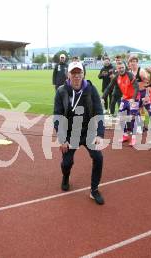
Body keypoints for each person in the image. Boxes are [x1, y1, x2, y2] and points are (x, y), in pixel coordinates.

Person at [54, 61, 105, 205]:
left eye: (79, 73)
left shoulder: (91, 89)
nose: (76, 76)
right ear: (68, 74)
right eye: (73, 73)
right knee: (66, 163)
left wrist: (100, 134)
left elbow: (99, 112)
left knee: (98, 158)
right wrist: (63, 139)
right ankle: (65, 176)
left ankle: (94, 190)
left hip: (89, 131)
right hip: (70, 133)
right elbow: (57, 117)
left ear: (84, 74)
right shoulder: (61, 91)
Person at [103, 61, 139, 145]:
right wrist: (102, 97)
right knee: (121, 117)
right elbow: (109, 88)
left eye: (123, 67)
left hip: (134, 99)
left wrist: (133, 99)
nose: (121, 69)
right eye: (119, 68)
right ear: (117, 69)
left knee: (132, 118)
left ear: (125, 67)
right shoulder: (116, 77)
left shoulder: (130, 75)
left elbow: (136, 87)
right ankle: (125, 135)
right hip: (125, 99)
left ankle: (134, 137)